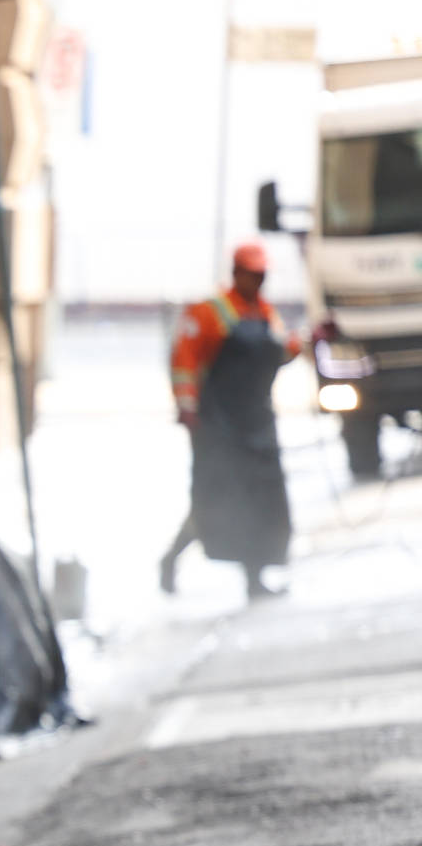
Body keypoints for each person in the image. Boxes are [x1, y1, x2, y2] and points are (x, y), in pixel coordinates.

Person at [160, 242, 303, 600]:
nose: (257, 281)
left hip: (256, 422)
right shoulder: (210, 312)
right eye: (251, 274)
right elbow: (184, 360)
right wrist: (186, 405)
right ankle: (171, 558)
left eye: (261, 276)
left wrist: (308, 342)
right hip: (219, 426)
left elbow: (279, 352)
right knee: (216, 498)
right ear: (237, 273)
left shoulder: (265, 314)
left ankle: (254, 579)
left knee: (259, 499)